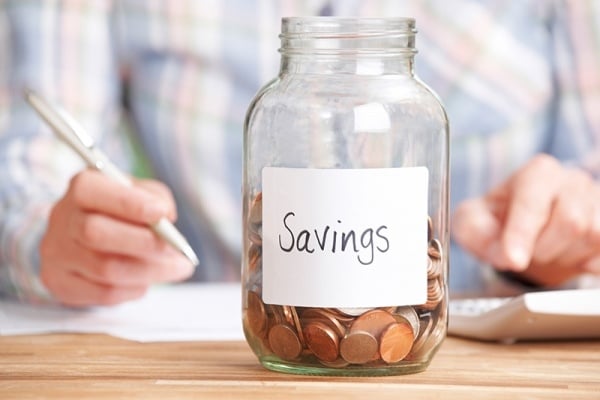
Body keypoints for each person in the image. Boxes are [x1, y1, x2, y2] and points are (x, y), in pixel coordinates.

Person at [1, 0, 599, 307]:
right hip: (218, 363)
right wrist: (47, 238)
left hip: (485, 364)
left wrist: (564, 237)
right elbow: (34, 153)